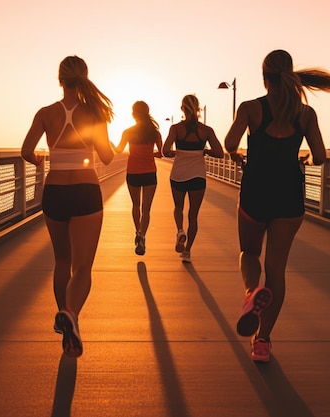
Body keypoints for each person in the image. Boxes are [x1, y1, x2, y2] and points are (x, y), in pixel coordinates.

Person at [224, 49, 330, 362]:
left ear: (264, 77)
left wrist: (237, 153)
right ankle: (262, 341)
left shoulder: (251, 108)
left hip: (256, 191)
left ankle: (252, 292)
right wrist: (302, 156)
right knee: (276, 270)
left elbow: (228, 142)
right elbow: (320, 156)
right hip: (289, 195)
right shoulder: (306, 115)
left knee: (249, 253)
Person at [21, 55, 114, 358]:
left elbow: (26, 150)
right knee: (83, 267)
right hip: (86, 190)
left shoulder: (46, 113)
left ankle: (64, 315)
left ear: (60, 79)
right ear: (84, 78)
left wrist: (38, 160)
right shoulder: (94, 113)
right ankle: (72, 315)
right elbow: (107, 157)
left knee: (62, 261)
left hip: (55, 191)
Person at [162, 94, 224, 262]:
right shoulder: (206, 130)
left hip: (178, 175)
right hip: (198, 176)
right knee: (193, 215)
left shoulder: (175, 129)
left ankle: (180, 231)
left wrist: (177, 152)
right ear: (198, 109)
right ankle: (187, 252)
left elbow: (165, 151)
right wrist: (204, 151)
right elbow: (219, 153)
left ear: (182, 109)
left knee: (178, 208)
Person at [113, 101, 163, 255]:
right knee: (146, 209)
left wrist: (110, 144)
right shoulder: (155, 132)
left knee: (136, 205)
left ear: (134, 113)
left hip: (133, 172)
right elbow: (161, 154)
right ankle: (142, 235)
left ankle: (137, 232)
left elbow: (119, 150)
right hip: (149, 172)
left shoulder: (128, 132)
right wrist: (149, 153)